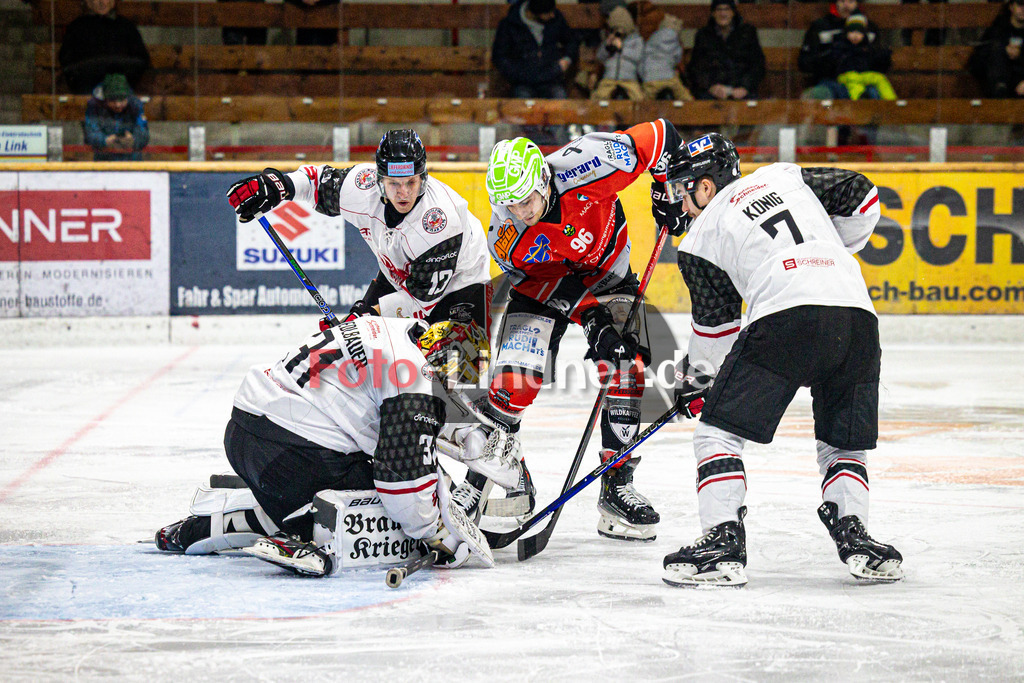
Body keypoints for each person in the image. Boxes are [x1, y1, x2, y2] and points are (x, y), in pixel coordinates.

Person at [657, 132, 904, 587]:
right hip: (856, 315)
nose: (680, 202)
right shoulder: (784, 176)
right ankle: (856, 535)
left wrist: (696, 382)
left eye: (683, 189)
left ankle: (722, 540)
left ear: (707, 187)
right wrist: (830, 252)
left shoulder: (698, 241)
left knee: (717, 434)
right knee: (842, 443)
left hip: (787, 318)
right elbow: (862, 195)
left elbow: (716, 329)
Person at [463, 119, 686, 542]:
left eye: (528, 200)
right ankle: (502, 478)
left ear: (545, 181)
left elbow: (662, 135)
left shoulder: (593, 161)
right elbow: (536, 284)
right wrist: (595, 320)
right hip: (543, 289)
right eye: (511, 205)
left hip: (609, 276)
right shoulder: (506, 234)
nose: (522, 212)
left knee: (628, 366)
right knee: (512, 384)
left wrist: (665, 191)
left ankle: (617, 485)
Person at [155, 317, 517, 575]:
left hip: (246, 432)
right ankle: (300, 529)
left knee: (387, 474)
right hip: (292, 455)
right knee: (392, 507)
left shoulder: (395, 329)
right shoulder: (418, 379)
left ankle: (225, 522)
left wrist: (454, 435)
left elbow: (374, 409)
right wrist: (437, 532)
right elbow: (401, 483)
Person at [226, 130, 493, 335]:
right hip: (399, 272)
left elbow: (420, 302)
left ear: (422, 178)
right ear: (379, 180)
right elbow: (315, 182)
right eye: (394, 183)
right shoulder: (362, 187)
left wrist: (364, 317)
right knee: (356, 353)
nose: (403, 192)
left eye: (411, 182)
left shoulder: (439, 222)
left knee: (453, 376)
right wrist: (277, 186)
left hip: (461, 286)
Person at [58, 0, 150, 94]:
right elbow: (67, 62)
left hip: (121, 92)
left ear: (113, 2)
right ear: (88, 2)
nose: (102, 2)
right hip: (87, 90)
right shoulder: (76, 28)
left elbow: (141, 59)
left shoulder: (127, 26)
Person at [492, 0, 580, 99]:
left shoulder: (556, 19)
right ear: (532, 13)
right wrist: (518, 74)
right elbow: (500, 57)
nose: (552, 15)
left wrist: (567, 59)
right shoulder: (510, 24)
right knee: (522, 102)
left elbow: (571, 41)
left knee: (559, 99)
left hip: (551, 79)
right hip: (523, 82)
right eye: (547, 13)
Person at [798, 0, 880, 100]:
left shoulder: (869, 28)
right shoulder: (820, 27)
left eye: (850, 1)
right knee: (819, 94)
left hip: (863, 80)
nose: (846, 5)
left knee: (872, 94)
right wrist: (829, 61)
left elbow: (879, 61)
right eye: (842, 1)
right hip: (830, 81)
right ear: (836, 2)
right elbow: (805, 61)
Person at [685, 0, 765, 101]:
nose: (723, 13)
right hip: (711, 92)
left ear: (733, 12)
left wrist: (744, 87)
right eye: (719, 9)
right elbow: (696, 67)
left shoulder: (748, 33)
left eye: (727, 9)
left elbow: (758, 64)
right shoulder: (703, 35)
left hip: (742, 90)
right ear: (713, 13)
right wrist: (711, 87)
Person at [82, 73, 149, 161]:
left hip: (132, 164)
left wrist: (133, 140)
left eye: (122, 100)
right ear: (105, 99)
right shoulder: (95, 107)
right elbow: (90, 132)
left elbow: (143, 132)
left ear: (127, 98)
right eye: (112, 100)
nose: (118, 105)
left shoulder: (135, 106)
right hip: (104, 164)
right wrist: (105, 141)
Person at [831, 14, 897, 101]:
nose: (855, 36)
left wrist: (884, 55)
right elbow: (836, 61)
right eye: (852, 32)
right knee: (854, 82)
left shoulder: (867, 47)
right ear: (846, 34)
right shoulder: (841, 46)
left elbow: (874, 59)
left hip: (863, 74)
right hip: (847, 75)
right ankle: (860, 100)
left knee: (879, 78)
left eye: (859, 33)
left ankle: (892, 101)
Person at [969, 0, 1024, 98]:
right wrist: (1002, 50)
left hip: (1020, 85)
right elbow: (976, 63)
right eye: (1020, 4)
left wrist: (1019, 56)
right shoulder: (997, 30)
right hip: (998, 87)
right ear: (1011, 7)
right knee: (996, 49)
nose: (1023, 9)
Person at [591, 6, 645, 101]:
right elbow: (599, 57)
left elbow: (638, 56)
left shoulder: (637, 40)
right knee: (597, 99)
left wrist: (622, 48)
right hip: (609, 79)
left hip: (629, 80)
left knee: (639, 100)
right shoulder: (612, 37)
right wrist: (606, 46)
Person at [639, 12, 694, 101]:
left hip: (650, 80)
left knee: (645, 102)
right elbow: (678, 58)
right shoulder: (675, 40)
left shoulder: (651, 39)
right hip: (669, 79)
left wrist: (645, 77)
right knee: (686, 99)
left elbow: (643, 60)